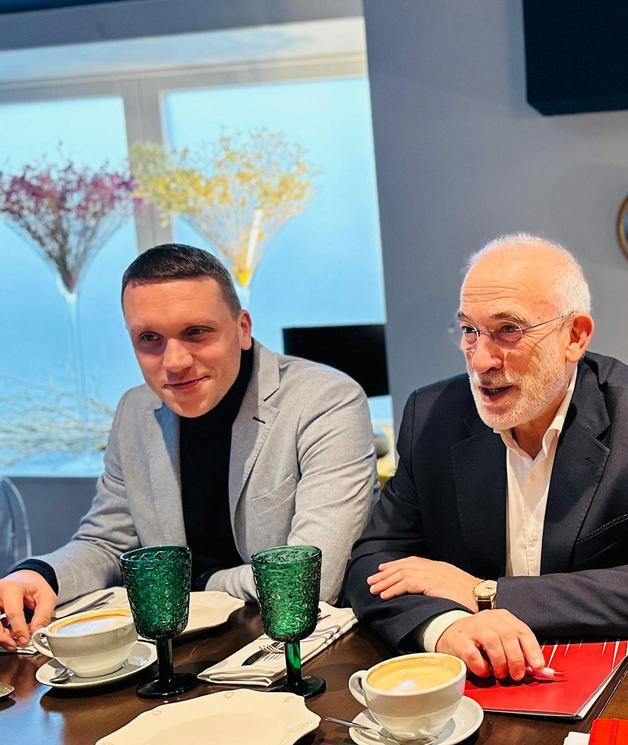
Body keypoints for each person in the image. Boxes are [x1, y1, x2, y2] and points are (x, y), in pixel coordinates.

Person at [345, 233, 628, 682]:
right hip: (474, 681)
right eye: (469, 330)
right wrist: (449, 627)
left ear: (574, 337)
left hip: (608, 679)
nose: (480, 361)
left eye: (508, 330)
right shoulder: (432, 415)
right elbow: (373, 563)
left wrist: (486, 593)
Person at [0, 244, 376, 652]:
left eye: (196, 332)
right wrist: (38, 576)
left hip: (296, 651)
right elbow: (108, 542)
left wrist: (201, 582)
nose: (174, 361)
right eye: (150, 339)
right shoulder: (135, 410)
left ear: (243, 328)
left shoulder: (324, 400)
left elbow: (310, 580)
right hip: (179, 652)